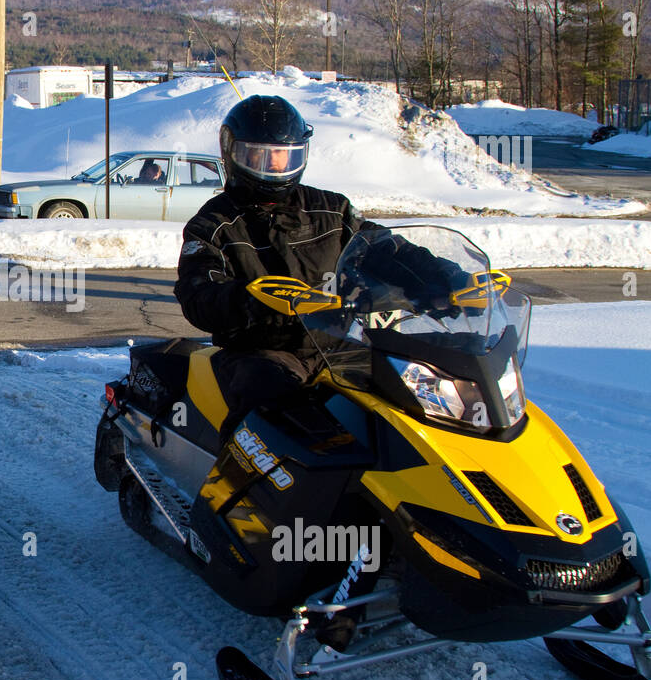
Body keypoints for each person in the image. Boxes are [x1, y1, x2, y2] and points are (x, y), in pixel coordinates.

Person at [174, 95, 464, 444]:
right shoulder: (213, 225)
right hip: (263, 351)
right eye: (261, 157)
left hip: (340, 343)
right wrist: (250, 300)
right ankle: (245, 490)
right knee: (269, 413)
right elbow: (198, 293)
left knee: (419, 391)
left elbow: (388, 250)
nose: (275, 167)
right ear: (234, 154)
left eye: (284, 157)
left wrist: (446, 278)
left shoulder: (332, 210)